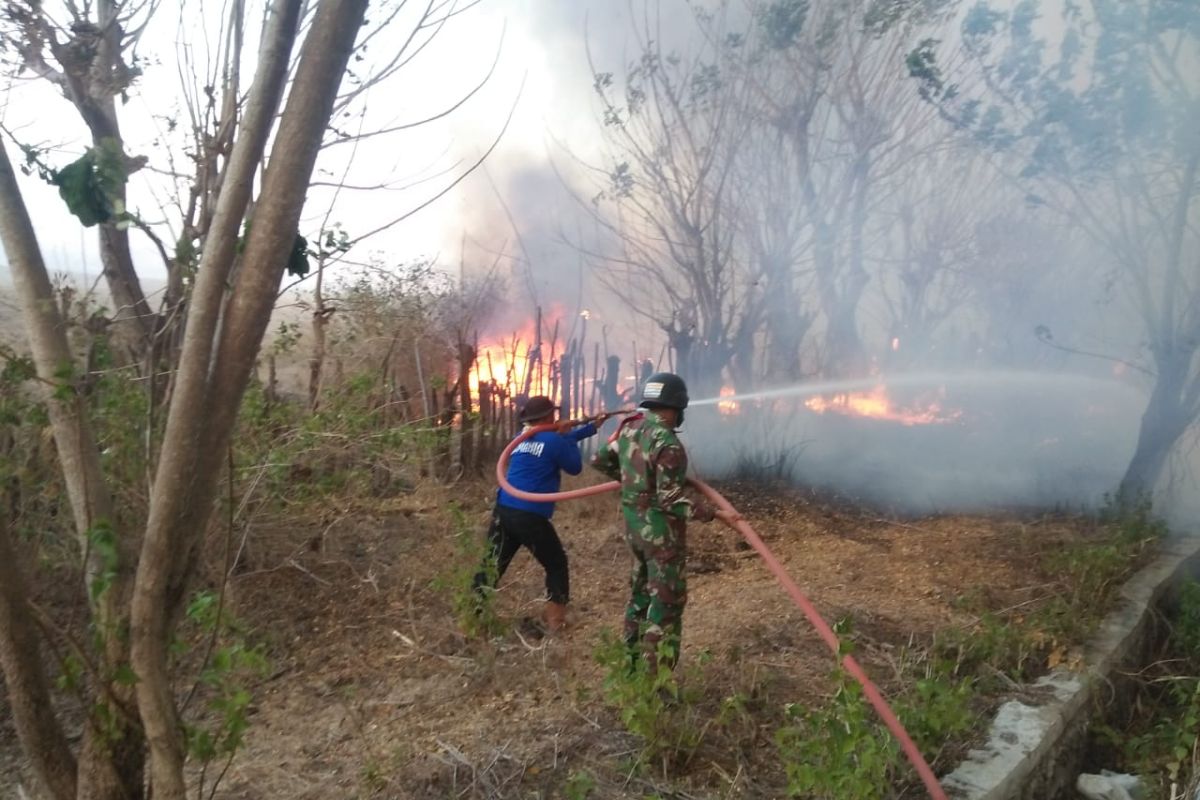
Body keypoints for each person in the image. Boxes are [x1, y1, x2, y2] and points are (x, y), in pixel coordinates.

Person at [590, 372, 718, 672]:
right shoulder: (668, 443)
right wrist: (707, 511)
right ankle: (655, 683)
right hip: (662, 539)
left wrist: (632, 479)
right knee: (667, 604)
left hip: (635, 531)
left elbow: (598, 460)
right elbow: (670, 498)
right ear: (676, 407)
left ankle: (631, 667)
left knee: (639, 597)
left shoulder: (629, 430)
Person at [472, 395, 609, 632]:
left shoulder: (520, 438)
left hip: (504, 509)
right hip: (530, 515)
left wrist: (592, 428)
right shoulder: (555, 440)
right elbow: (574, 467)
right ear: (548, 416)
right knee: (556, 564)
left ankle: (470, 619)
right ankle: (556, 625)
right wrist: (567, 436)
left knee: (492, 565)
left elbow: (551, 443)